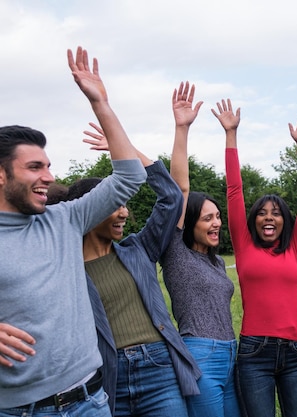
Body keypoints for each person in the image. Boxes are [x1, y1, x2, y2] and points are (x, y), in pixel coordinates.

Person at [0, 47, 147, 416]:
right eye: (34, 167)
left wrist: (101, 104)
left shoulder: (65, 219)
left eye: (48, 166)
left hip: (89, 401)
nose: (48, 177)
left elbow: (131, 175)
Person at [64, 121, 201, 416]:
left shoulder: (138, 249)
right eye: (115, 205)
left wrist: (126, 150)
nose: (124, 212)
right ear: (90, 209)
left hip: (158, 369)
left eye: (125, 204)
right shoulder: (67, 269)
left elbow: (171, 197)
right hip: (108, 378)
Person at [214, 98, 297, 417]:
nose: (268, 218)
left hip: (295, 353)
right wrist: (231, 134)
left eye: (276, 213)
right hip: (254, 353)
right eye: (261, 213)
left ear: (285, 220)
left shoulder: (293, 248)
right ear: (253, 220)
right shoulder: (244, 246)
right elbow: (234, 190)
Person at [160, 82, 241, 417]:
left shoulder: (217, 262)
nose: (216, 223)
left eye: (218, 216)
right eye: (207, 218)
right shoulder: (176, 254)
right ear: (189, 221)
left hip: (230, 354)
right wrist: (182, 128)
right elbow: (180, 188)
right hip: (200, 355)